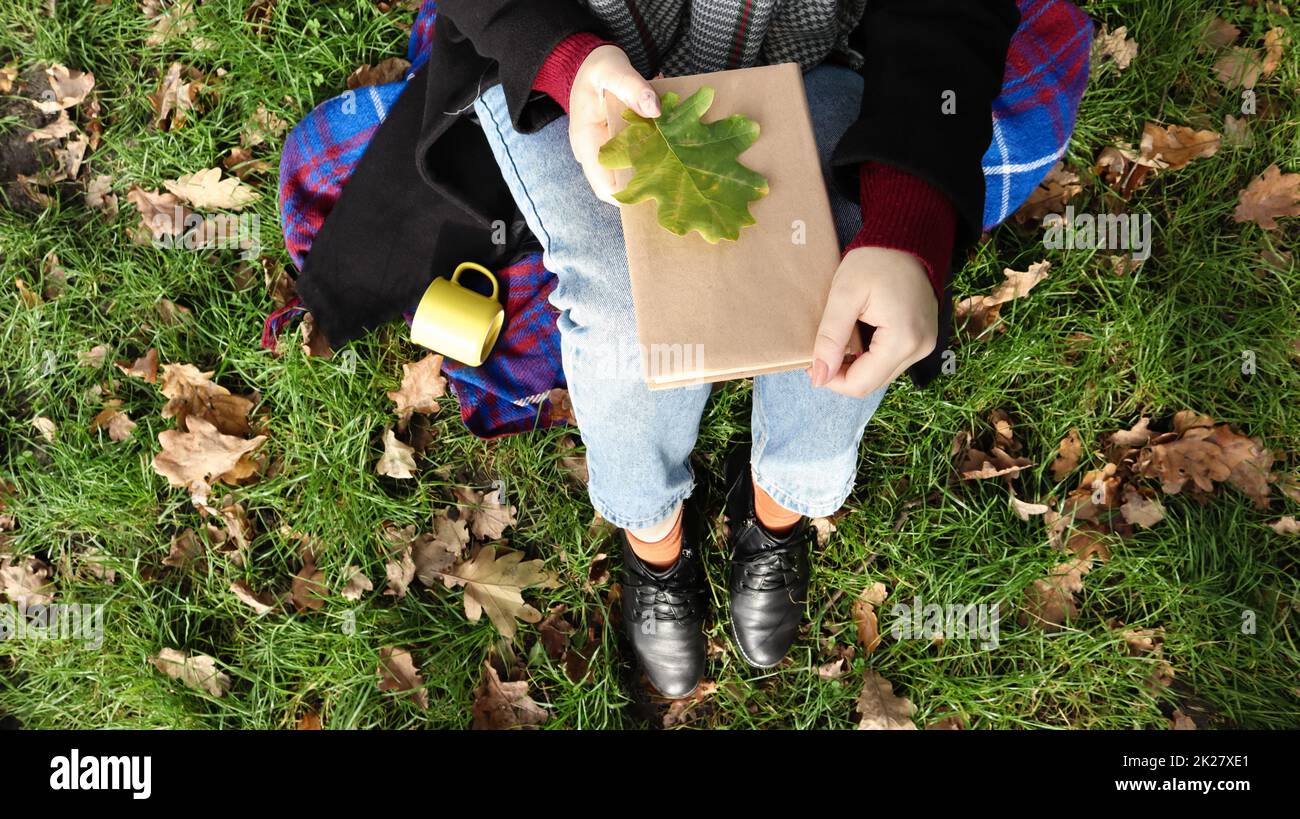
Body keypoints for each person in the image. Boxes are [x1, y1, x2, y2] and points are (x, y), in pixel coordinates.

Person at [448, 0, 1021, 698]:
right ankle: (655, 544)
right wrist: (566, 60)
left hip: (815, 61)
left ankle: (778, 508)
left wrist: (908, 218)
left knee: (841, 302)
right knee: (624, 317)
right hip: (564, 57)